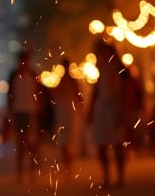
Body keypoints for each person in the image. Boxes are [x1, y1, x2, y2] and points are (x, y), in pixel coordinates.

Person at [88, 39, 126, 187]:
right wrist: (91, 109)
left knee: (117, 142)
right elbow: (96, 89)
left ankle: (120, 177)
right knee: (100, 142)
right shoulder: (101, 67)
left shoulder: (116, 67)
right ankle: (107, 177)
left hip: (114, 106)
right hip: (102, 107)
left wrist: (121, 111)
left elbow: (120, 90)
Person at [6, 50, 40, 183]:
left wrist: (39, 108)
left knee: (31, 143)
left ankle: (32, 171)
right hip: (18, 111)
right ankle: (20, 173)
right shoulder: (14, 75)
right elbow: (10, 95)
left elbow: (38, 92)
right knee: (20, 143)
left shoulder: (33, 74)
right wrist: (10, 113)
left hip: (31, 111)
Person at [50, 58, 84, 172]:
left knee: (68, 139)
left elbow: (78, 98)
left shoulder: (68, 81)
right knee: (65, 139)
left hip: (67, 113)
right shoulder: (64, 81)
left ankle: (68, 163)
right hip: (64, 112)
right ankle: (68, 163)